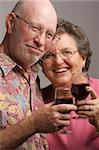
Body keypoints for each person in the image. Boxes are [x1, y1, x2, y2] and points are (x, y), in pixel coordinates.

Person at [0, 1, 78, 150]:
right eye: (35, 28)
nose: (41, 42)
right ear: (11, 23)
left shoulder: (33, 73)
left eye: (49, 34)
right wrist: (33, 124)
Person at [41, 19, 99, 150]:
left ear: (83, 57)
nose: (58, 61)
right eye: (48, 55)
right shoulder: (35, 101)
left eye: (66, 52)